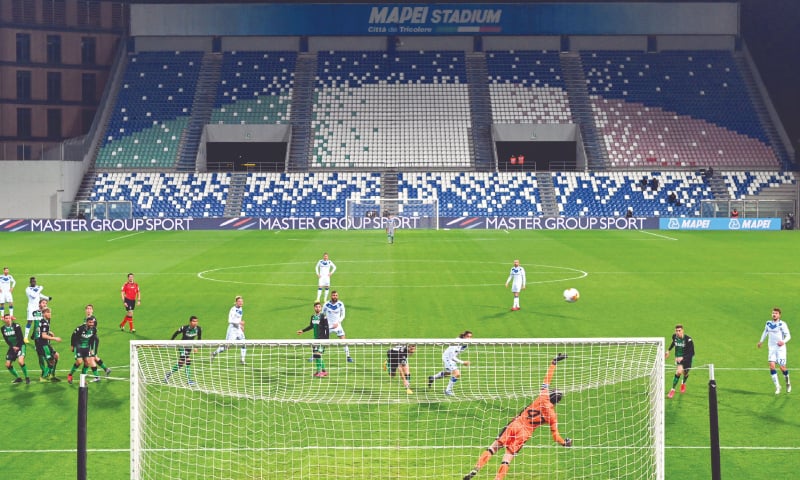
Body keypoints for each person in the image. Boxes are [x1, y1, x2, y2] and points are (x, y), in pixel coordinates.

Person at [463, 354, 571, 480]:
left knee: (493, 448)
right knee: (507, 459)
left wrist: (553, 363)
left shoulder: (543, 396)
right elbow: (556, 437)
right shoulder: (553, 416)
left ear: (550, 394)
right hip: (524, 433)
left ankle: (475, 469)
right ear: (557, 402)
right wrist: (565, 443)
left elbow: (547, 379)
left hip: (515, 424)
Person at [757, 307, 791, 394]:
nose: (774, 314)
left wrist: (783, 342)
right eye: (773, 313)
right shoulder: (768, 323)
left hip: (780, 349)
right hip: (771, 348)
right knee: (772, 366)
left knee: (782, 367)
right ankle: (778, 386)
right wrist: (761, 341)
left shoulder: (782, 324)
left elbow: (788, 336)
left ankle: (787, 382)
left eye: (776, 313)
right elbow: (765, 332)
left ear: (779, 315)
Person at [428, 330, 473, 396]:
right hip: (448, 358)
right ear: (464, 336)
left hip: (451, 358)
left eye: (470, 337)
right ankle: (448, 390)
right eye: (467, 336)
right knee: (457, 373)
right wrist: (463, 362)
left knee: (449, 373)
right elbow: (451, 356)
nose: (469, 338)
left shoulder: (465, 344)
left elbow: (455, 355)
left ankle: (433, 377)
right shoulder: (457, 342)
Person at [165, 315, 202, 385]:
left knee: (181, 364)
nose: (196, 323)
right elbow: (176, 333)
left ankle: (168, 374)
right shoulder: (184, 328)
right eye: (194, 321)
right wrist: (171, 341)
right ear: (190, 322)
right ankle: (189, 380)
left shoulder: (199, 329)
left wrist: (196, 347)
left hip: (189, 347)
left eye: (196, 321)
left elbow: (199, 338)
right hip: (182, 346)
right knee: (188, 360)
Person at [297, 301, 330, 377]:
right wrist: (303, 330)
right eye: (316, 307)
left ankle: (320, 371)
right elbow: (311, 326)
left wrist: (327, 340)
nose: (318, 308)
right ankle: (323, 371)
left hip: (322, 339)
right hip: (315, 339)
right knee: (316, 355)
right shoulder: (313, 316)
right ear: (314, 308)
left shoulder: (323, 316)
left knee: (318, 355)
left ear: (321, 308)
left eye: (319, 307)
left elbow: (327, 328)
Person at [210, 296, 246, 364]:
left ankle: (242, 360)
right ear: (236, 302)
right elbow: (230, 320)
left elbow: (238, 318)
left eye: (242, 301)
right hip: (232, 330)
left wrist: (241, 326)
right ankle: (214, 353)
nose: (241, 303)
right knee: (226, 347)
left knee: (244, 343)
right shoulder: (233, 310)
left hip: (238, 329)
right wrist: (239, 322)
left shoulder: (241, 308)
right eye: (239, 301)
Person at [67, 316, 102, 383]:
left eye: (92, 322)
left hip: (86, 347)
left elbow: (92, 339)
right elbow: (73, 336)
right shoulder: (80, 328)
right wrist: (72, 345)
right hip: (79, 346)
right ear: (86, 323)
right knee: (79, 362)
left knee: (87, 363)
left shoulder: (94, 329)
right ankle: (70, 375)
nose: (91, 324)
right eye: (90, 322)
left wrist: (91, 349)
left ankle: (82, 379)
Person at [665, 324, 695, 398]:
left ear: (682, 331)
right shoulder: (674, 336)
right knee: (678, 372)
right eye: (676, 331)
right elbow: (674, 343)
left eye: (679, 331)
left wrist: (683, 358)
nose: (678, 332)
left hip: (687, 359)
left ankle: (683, 383)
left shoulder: (688, 340)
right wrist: (668, 350)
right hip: (679, 359)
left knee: (685, 373)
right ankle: (672, 389)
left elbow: (692, 353)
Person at [323, 290, 353, 363]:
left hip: (337, 326)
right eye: (333, 295)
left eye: (336, 295)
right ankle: (316, 355)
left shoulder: (340, 304)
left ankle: (348, 356)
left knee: (343, 340)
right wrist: (325, 322)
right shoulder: (326, 304)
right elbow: (322, 313)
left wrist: (338, 322)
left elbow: (343, 315)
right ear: (331, 296)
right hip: (328, 326)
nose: (335, 297)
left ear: (337, 296)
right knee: (322, 341)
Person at [33, 307, 61, 382]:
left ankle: (51, 374)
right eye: (48, 312)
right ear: (44, 314)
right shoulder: (45, 323)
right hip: (43, 344)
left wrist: (49, 332)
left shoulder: (43, 321)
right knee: (51, 361)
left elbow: (39, 330)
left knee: (56, 356)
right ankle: (44, 377)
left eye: (50, 312)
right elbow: (43, 336)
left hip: (44, 343)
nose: (50, 314)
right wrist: (55, 338)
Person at [2, 314, 30, 384]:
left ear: (11, 319)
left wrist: (17, 347)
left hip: (20, 346)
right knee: (7, 365)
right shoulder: (3, 328)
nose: (8, 319)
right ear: (4, 320)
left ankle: (27, 377)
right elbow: (6, 339)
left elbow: (20, 337)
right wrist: (12, 347)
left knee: (20, 361)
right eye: (6, 318)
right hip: (12, 347)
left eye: (9, 318)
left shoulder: (16, 326)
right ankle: (18, 378)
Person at [24, 276, 51, 342]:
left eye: (35, 281)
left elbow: (39, 294)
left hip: (38, 307)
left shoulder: (37, 288)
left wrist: (47, 298)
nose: (34, 282)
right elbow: (34, 296)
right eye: (33, 281)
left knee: (39, 321)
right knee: (30, 321)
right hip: (31, 307)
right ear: (30, 282)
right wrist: (40, 288)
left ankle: (34, 335)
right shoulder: (28, 289)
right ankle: (25, 337)